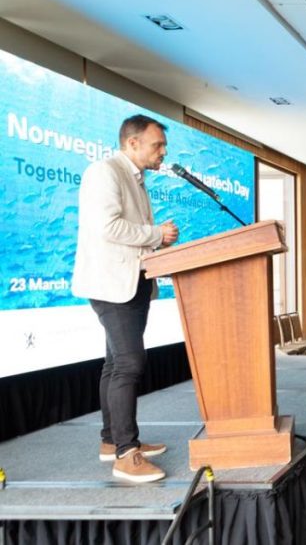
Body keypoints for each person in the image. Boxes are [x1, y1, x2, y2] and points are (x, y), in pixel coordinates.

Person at [71, 114, 179, 483]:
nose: (163, 152)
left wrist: (156, 239)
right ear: (132, 143)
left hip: (132, 282)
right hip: (111, 285)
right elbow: (108, 227)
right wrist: (156, 233)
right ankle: (125, 453)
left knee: (115, 363)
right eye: (157, 145)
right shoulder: (105, 172)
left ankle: (111, 440)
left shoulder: (136, 178)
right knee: (130, 364)